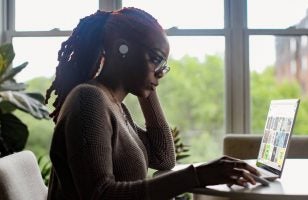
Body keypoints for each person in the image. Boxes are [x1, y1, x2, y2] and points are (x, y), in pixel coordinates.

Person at [45, 7, 260, 200]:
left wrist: (146, 84)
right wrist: (198, 176)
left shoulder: (114, 105)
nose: (161, 73)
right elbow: (100, 195)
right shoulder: (88, 100)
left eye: (164, 66)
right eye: (156, 59)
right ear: (123, 49)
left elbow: (163, 158)